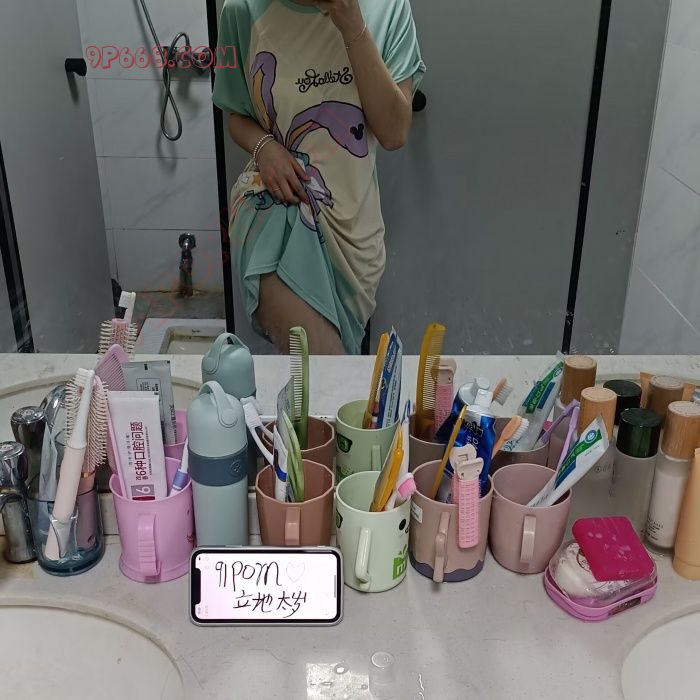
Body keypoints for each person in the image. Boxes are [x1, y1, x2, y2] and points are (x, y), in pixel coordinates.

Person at [213, 0, 425, 354]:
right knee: (326, 373)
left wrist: (351, 23)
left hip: (355, 236)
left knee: (330, 379)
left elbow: (393, 133)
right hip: (278, 215)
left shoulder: (388, 7)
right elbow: (236, 114)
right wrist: (264, 147)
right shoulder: (241, 10)